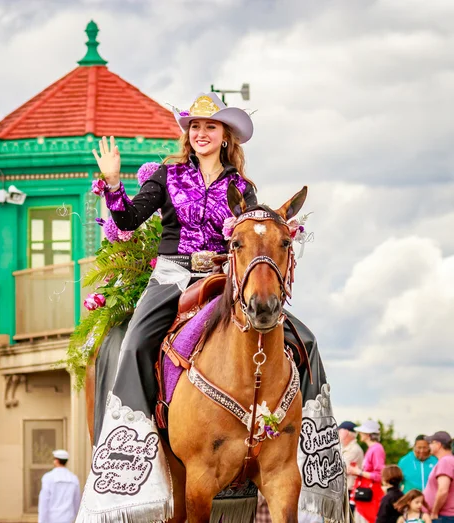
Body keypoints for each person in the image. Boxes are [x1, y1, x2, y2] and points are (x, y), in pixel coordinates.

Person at [77, 92, 334, 522]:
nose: (200, 134)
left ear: (225, 135)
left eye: (209, 127)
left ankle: (311, 446)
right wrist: (114, 183)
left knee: (303, 339)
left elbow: (251, 239)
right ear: (188, 134)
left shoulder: (241, 188)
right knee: (136, 341)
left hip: (224, 278)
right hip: (172, 276)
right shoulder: (167, 175)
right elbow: (126, 221)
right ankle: (131, 443)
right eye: (194, 127)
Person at [348, 420, 386, 523]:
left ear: (368, 434)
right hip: (365, 497)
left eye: (361, 432)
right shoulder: (372, 448)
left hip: (370, 497)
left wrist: (358, 472)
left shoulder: (377, 449)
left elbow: (379, 475)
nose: (359, 434)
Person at [37, 449, 80, 523]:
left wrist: (41, 520)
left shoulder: (48, 477)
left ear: (56, 461)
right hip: (68, 518)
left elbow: (44, 502)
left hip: (52, 519)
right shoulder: (74, 478)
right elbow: (77, 501)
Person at [423, 431, 454, 522]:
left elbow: (443, 490)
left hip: (444, 517)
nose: (429, 446)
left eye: (431, 443)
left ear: (438, 444)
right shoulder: (449, 460)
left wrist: (434, 512)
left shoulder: (445, 461)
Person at [340, 420, 365, 513]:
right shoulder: (345, 448)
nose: (337, 433)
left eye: (339, 430)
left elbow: (340, 469)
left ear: (346, 433)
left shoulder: (354, 449)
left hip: (349, 491)